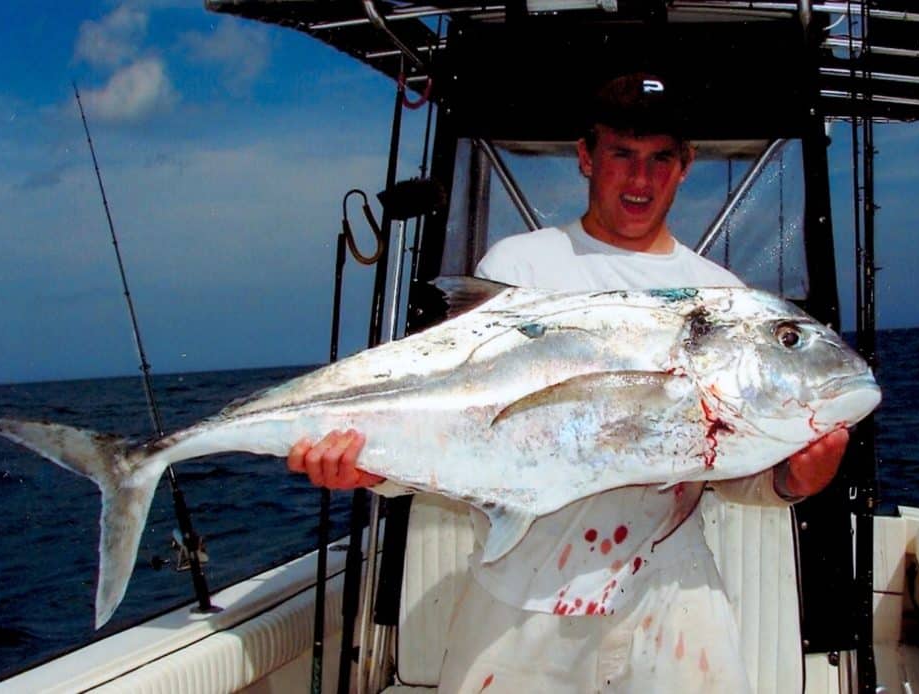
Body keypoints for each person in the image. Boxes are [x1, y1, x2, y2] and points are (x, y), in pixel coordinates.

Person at [288, 73, 849, 692]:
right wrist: (373, 470)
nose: (641, 180)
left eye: (661, 158)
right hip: (521, 595)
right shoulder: (519, 268)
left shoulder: (723, 299)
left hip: (669, 587)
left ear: (685, 165)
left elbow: (731, 467)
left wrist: (793, 481)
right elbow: (457, 419)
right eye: (622, 155)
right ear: (586, 156)